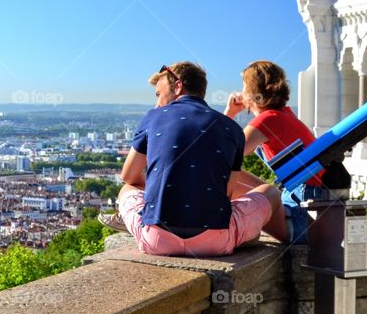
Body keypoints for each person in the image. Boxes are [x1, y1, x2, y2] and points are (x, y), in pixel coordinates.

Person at [111, 61, 286, 257]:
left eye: (159, 95)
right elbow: (226, 195)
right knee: (270, 192)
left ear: (178, 86)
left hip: (157, 240)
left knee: (126, 189)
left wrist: (156, 190)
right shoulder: (233, 129)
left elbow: (129, 176)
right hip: (216, 241)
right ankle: (283, 240)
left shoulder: (154, 117)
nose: (157, 103)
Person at [223, 60, 321, 243]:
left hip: (300, 219)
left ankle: (219, 228)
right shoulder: (284, 115)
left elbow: (219, 153)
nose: (241, 92)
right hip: (308, 209)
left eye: (244, 87)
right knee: (235, 174)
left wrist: (229, 113)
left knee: (223, 179)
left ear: (253, 94)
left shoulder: (267, 121)